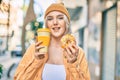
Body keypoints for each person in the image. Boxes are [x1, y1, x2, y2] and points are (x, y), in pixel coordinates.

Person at [14, 3, 90, 80]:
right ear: (46, 24)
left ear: (66, 23)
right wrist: (36, 61)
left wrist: (73, 64)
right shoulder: (34, 49)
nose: (55, 22)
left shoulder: (78, 53)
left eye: (60, 18)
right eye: (50, 19)